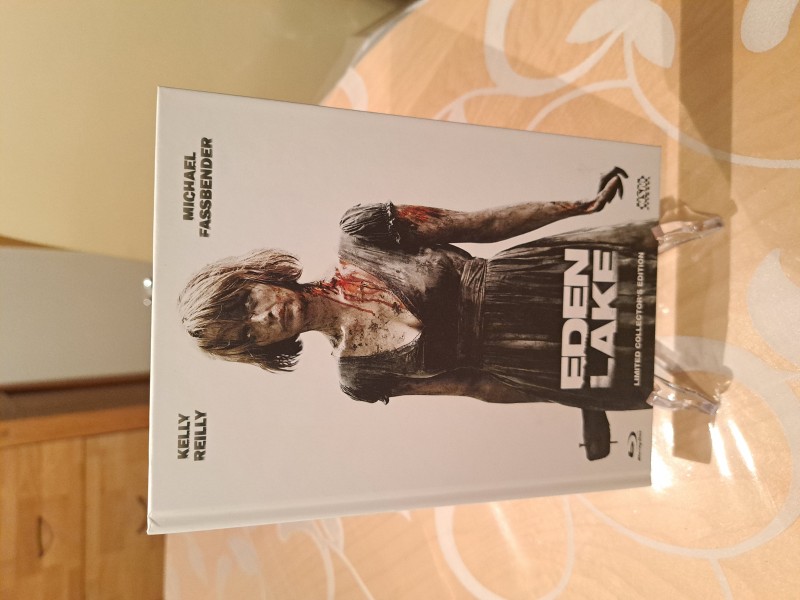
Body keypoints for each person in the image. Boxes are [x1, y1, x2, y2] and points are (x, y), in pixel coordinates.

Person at [179, 168, 657, 460]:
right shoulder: (360, 377)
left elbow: (483, 225)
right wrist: (570, 392)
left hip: (550, 278)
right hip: (543, 357)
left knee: (671, 275)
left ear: (256, 277)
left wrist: (580, 207)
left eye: (248, 303)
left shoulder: (364, 234)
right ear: (263, 349)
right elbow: (476, 386)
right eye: (248, 334)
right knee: (672, 367)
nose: (263, 319)